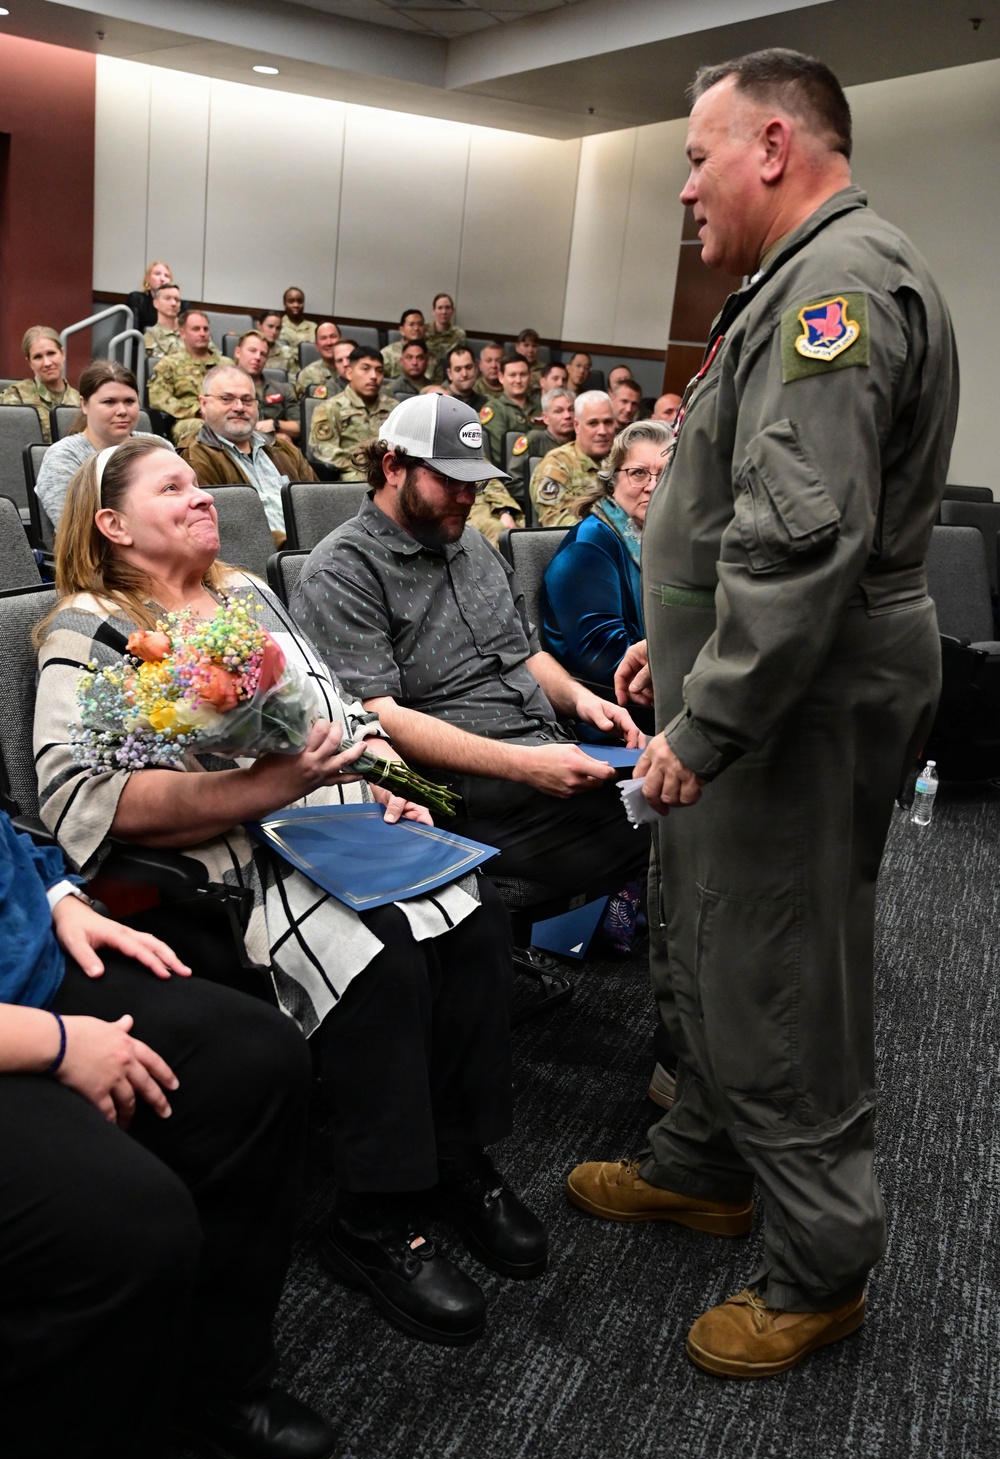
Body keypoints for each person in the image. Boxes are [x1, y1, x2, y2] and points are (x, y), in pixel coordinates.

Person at [566, 47, 959, 1379]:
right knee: (711, 928)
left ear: (775, 147)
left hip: (799, 697)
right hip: (759, 682)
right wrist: (667, 648)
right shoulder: (793, 281)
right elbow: (738, 515)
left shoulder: (835, 293)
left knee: (779, 965)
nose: (685, 185)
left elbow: (801, 546)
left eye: (696, 154)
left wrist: (710, 711)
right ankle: (706, 1160)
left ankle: (820, 1264)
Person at [34, 436, 546, 1348]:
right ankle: (375, 1215)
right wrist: (257, 789)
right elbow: (82, 797)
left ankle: (458, 1158)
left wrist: (396, 782)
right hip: (234, 860)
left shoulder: (245, 593)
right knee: (381, 944)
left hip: (340, 821)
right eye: (175, 487)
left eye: (200, 484)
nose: (204, 499)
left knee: (478, 913)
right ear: (111, 525)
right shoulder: (93, 625)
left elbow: (341, 712)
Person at [0, 810, 337, 1459]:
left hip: (24, 972)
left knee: (255, 1060)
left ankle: (213, 1384)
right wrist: (55, 1044)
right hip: (20, 1026)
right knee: (128, 1226)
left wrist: (56, 896)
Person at [291, 393, 649, 899]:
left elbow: (527, 653)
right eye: (450, 481)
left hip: (545, 748)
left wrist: (585, 701)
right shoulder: (344, 570)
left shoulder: (469, 542)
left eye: (474, 483)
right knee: (660, 822)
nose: (467, 497)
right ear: (393, 467)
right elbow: (376, 717)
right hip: (463, 787)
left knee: (671, 794)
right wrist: (525, 764)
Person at [541, 420, 670, 720]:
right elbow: (606, 661)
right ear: (612, 481)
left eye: (664, 474)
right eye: (638, 473)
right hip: (610, 713)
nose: (652, 485)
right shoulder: (589, 546)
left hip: (664, 698)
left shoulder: (663, 537)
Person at [182, 365, 316, 543]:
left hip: (312, 551)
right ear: (204, 404)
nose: (239, 407)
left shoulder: (284, 449)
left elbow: (317, 505)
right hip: (259, 561)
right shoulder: (194, 458)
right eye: (227, 399)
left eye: (247, 400)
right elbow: (229, 531)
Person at [35, 359, 146, 527]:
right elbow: (75, 531)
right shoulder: (64, 457)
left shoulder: (157, 447)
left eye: (129, 401)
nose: (122, 411)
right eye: (109, 402)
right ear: (84, 405)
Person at [308, 346, 397, 479]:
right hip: (353, 472)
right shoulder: (331, 407)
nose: (373, 376)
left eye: (379, 371)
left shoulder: (395, 408)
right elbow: (322, 448)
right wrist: (362, 464)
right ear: (349, 373)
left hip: (390, 470)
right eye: (365, 369)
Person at [147, 309, 233, 446]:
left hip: (226, 417)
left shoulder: (227, 365)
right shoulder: (169, 364)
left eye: (205, 329)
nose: (202, 333)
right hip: (188, 420)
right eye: (196, 329)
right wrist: (197, 411)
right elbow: (159, 398)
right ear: (182, 333)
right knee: (202, 429)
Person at [530, 390, 615, 527]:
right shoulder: (557, 464)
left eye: (608, 422)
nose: (602, 431)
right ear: (577, 426)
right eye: (593, 423)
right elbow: (557, 523)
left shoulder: (625, 461)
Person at [1, 326, 81, 442]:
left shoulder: (81, 401)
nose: (47, 363)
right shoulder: (16, 397)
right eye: (38, 357)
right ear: (29, 362)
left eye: (51, 353)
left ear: (62, 354)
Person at [504, 387, 575, 510]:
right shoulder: (535, 440)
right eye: (559, 411)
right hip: (540, 507)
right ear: (545, 418)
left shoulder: (583, 442)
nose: (567, 416)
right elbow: (513, 483)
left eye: (571, 410)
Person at [233, 330, 300, 439]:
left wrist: (275, 424)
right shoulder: (221, 387)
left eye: (263, 354)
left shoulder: (282, 389)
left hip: (272, 448)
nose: (258, 357)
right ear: (238, 352)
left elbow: (299, 427)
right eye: (252, 351)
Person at [480, 353, 539, 466]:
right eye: (512, 375)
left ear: (530, 376)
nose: (518, 380)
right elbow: (502, 454)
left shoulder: (540, 408)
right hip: (509, 474)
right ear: (501, 377)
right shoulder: (494, 409)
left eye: (523, 374)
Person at [127, 260, 189, 339]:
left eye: (166, 276)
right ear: (147, 279)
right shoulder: (137, 299)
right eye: (157, 274)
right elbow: (133, 333)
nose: (162, 279)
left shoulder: (183, 305)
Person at [294, 320, 343, 398]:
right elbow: (304, 407)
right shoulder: (307, 375)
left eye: (333, 336)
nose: (329, 342)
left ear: (341, 341)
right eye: (323, 338)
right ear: (316, 346)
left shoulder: (354, 370)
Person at [425, 293, 466, 380]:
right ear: (433, 311)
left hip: (449, 379)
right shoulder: (424, 331)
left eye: (447, 308)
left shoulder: (459, 334)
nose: (444, 312)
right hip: (426, 378)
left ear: (453, 310)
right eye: (440, 308)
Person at [381, 309, 426, 380]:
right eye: (411, 325)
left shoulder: (431, 355)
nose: (416, 328)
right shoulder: (387, 353)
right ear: (402, 330)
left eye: (420, 324)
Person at [143, 282, 183, 361]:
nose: (173, 303)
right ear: (156, 303)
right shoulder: (151, 335)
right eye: (167, 298)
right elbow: (155, 366)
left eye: (177, 300)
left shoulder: (194, 330)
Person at [443, 344, 487, 413]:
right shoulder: (439, 400)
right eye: (458, 369)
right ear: (449, 374)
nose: (464, 374)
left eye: (469, 367)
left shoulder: (484, 403)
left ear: (476, 368)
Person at [255, 310, 298, 375]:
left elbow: (293, 379)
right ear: (259, 326)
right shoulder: (249, 349)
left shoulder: (287, 353)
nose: (274, 332)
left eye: (278, 328)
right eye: (270, 326)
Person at [278, 286, 316, 359]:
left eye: (300, 301)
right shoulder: (277, 325)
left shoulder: (313, 327)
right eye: (291, 301)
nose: (296, 305)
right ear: (284, 304)